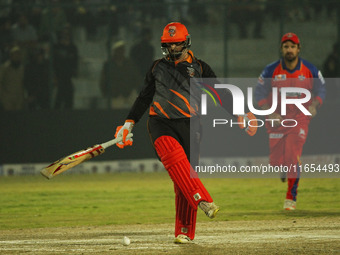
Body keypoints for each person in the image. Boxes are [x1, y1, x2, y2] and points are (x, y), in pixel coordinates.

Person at [114, 22, 257, 244]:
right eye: (168, 45)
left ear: (186, 42)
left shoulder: (200, 68)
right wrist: (128, 123)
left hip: (191, 125)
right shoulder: (156, 67)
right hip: (160, 123)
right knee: (174, 158)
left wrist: (241, 113)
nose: (172, 49)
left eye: (176, 44)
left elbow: (220, 94)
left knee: (185, 177)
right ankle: (204, 200)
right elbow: (144, 97)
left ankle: (184, 232)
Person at [255, 33, 326, 210]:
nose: (289, 50)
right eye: (286, 46)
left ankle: (290, 198)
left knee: (293, 154)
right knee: (278, 160)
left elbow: (322, 89)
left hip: (299, 118)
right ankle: (283, 166)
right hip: (277, 120)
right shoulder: (271, 70)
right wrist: (269, 113)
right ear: (282, 49)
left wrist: (315, 104)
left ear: (298, 49)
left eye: (292, 46)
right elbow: (258, 93)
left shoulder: (310, 70)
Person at [99, 40, 142, 108]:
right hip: (115, 94)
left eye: (122, 50)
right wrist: (105, 93)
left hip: (128, 92)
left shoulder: (129, 63)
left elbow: (136, 77)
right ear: (115, 51)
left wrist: (137, 88)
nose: (121, 52)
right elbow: (103, 80)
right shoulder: (108, 64)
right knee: (116, 112)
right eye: (118, 50)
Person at [53, 28, 78, 109]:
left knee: (69, 99)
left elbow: (75, 62)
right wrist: (55, 76)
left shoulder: (73, 48)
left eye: (67, 34)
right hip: (58, 77)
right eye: (63, 35)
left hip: (68, 77)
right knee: (58, 100)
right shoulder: (56, 47)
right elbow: (53, 63)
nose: (65, 37)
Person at [0, 46, 25, 110]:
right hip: (7, 99)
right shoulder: (5, 68)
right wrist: (3, 97)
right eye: (15, 55)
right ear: (11, 56)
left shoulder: (22, 68)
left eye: (18, 55)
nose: (17, 57)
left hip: (19, 98)